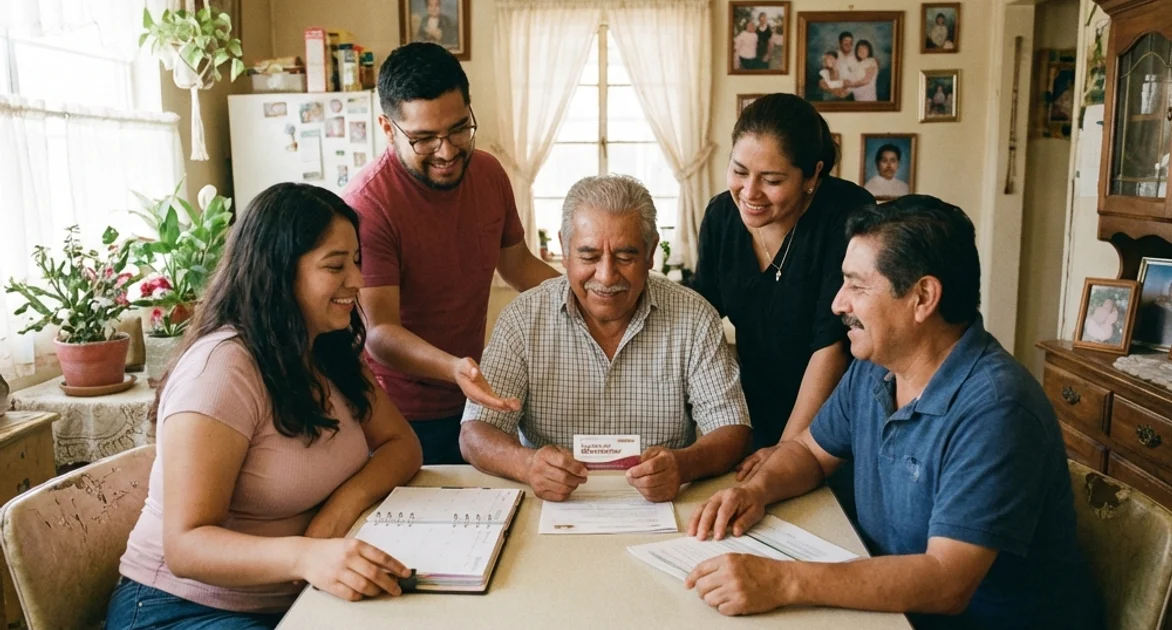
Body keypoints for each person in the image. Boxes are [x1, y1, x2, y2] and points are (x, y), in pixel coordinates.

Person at [686, 195, 1102, 630]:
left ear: (923, 297)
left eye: (857, 286)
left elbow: (946, 581)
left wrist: (784, 580)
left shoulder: (997, 410)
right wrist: (756, 490)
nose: (838, 304)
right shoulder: (874, 368)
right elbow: (810, 452)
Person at [107, 183, 424, 629]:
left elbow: (402, 445)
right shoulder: (221, 370)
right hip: (181, 608)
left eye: (356, 261)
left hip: (294, 599)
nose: (356, 281)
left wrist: (337, 512)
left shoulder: (328, 348)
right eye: (335, 266)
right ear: (278, 273)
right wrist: (306, 553)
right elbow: (185, 547)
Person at [460, 175, 752, 503]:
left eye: (625, 257)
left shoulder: (694, 317)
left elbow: (732, 429)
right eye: (589, 257)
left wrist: (683, 465)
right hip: (554, 507)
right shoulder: (524, 319)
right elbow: (476, 432)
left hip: (661, 506)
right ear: (564, 250)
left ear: (651, 251)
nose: (606, 276)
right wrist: (527, 465)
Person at [345, 43, 559, 465]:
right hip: (394, 417)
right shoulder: (368, 205)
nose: (447, 152)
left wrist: (589, 294)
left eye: (459, 129)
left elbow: (518, 266)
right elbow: (380, 332)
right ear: (388, 129)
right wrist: (455, 369)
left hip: (472, 406)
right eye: (424, 139)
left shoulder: (488, 174)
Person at [690, 93, 874, 486]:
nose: (749, 193)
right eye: (739, 171)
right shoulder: (723, 215)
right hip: (757, 405)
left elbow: (831, 345)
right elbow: (698, 313)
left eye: (771, 180)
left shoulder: (846, 215)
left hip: (834, 421)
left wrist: (790, 454)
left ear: (812, 176)